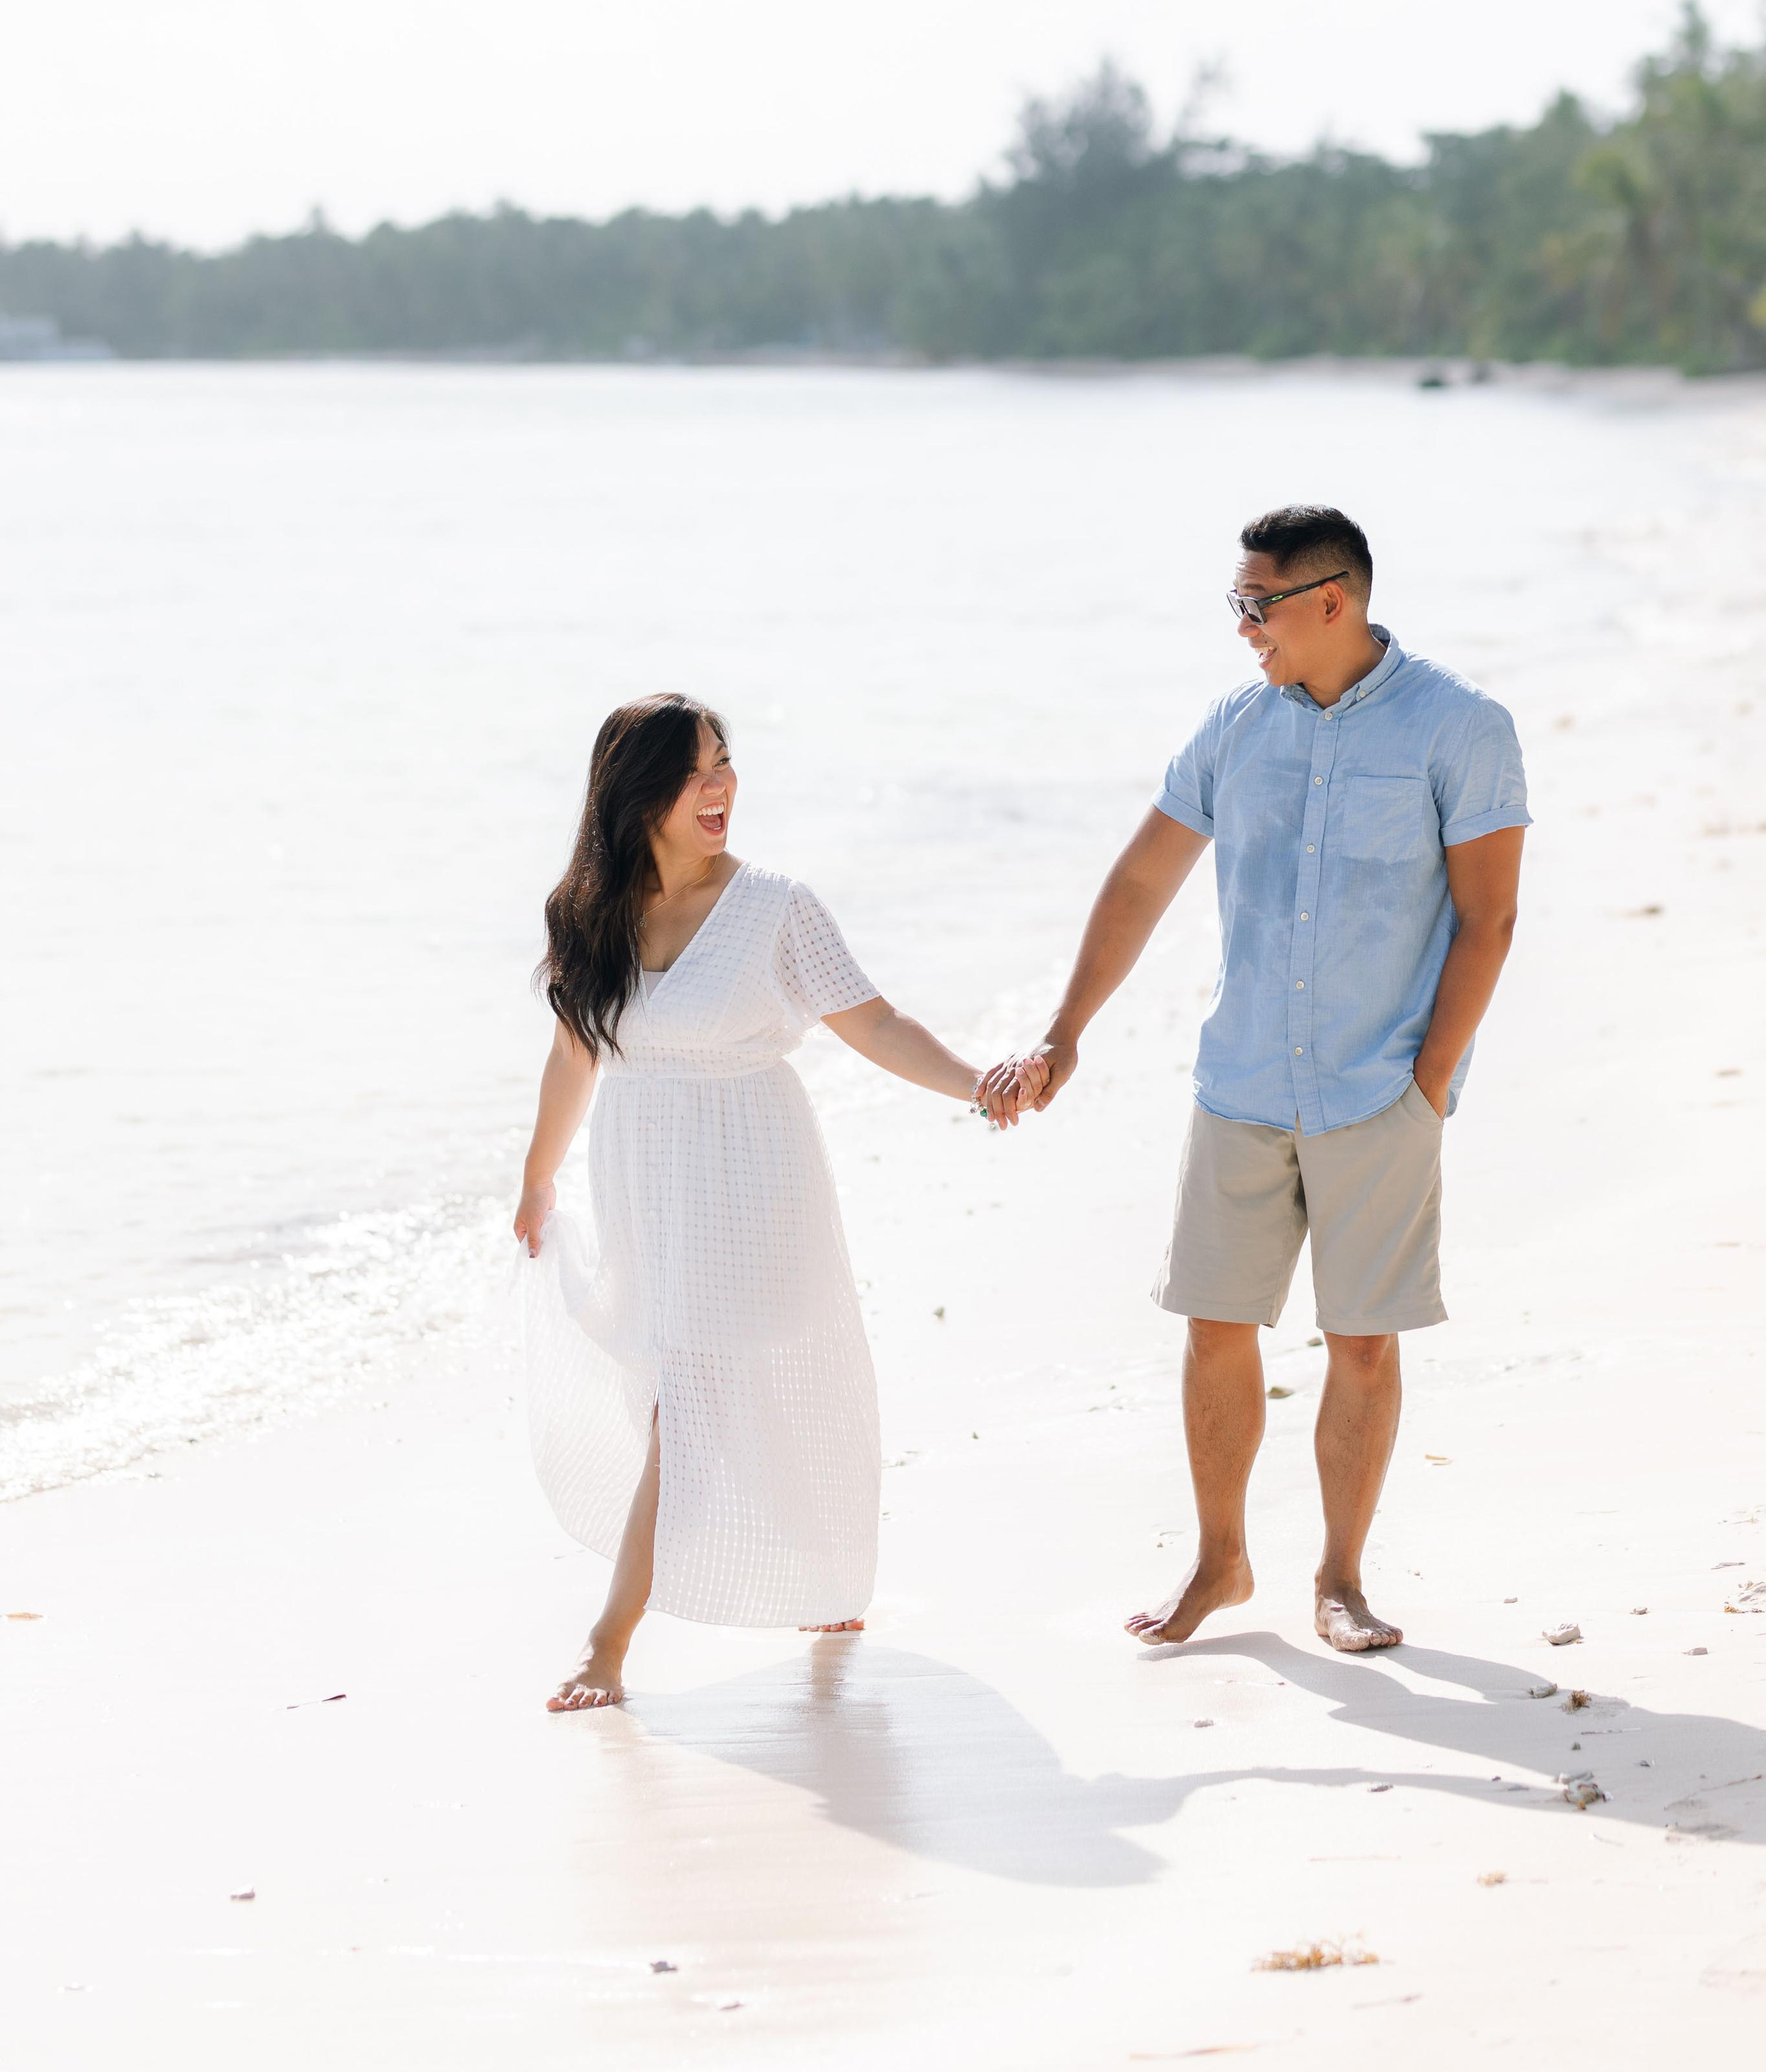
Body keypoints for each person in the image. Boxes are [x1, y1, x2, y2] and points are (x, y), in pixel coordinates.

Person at [981, 506, 1529, 1653]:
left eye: (1254, 605)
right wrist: (1065, 1030)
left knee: (1362, 1342)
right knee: (1212, 1324)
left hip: (1376, 1089)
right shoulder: (1234, 728)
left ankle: (1337, 1579)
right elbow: (1140, 882)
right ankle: (1221, 1562)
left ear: (1329, 600)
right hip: (1237, 1082)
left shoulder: (1461, 728)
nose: (1241, 630)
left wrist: (1426, 1078)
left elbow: (1488, 919)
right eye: (1234, 605)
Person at [514, 692, 1006, 1711]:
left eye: (726, 763)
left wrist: (976, 1086)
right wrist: (535, 1178)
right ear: (636, 792)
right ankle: (821, 1583)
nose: (721, 786)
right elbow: (573, 1056)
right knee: (691, 1396)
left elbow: (875, 1026)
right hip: (642, 1186)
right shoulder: (588, 912)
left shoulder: (776, 907)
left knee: (691, 1404)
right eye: (697, 771)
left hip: (750, 1179)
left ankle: (608, 1642)